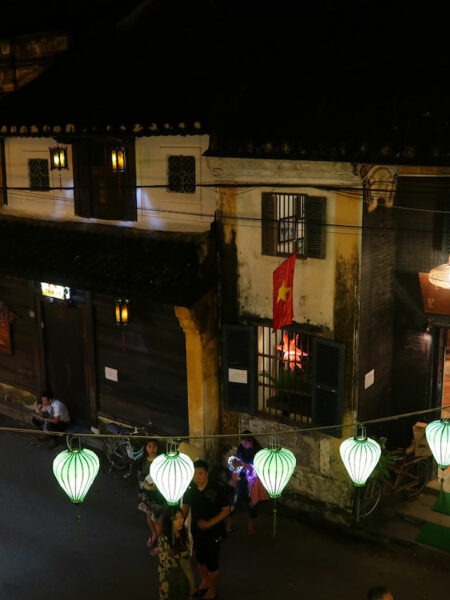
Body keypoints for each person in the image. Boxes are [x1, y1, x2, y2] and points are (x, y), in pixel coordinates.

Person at [182, 460, 231, 600]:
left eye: (200, 474)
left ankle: (213, 590)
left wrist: (209, 523)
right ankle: (205, 581)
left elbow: (226, 510)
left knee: (212, 564)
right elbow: (185, 508)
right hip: (197, 532)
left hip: (213, 533)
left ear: (207, 474)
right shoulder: (190, 488)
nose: (197, 477)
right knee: (200, 560)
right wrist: (179, 522)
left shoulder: (216, 489)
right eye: (194, 474)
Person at [226, 431, 268, 535]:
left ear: (251, 441)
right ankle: (229, 521)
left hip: (254, 479)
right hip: (243, 476)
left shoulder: (258, 452)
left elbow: (258, 469)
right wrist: (235, 463)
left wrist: (245, 465)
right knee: (236, 498)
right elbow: (237, 460)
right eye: (242, 443)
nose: (243, 445)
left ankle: (251, 523)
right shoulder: (241, 448)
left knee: (253, 502)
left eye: (245, 443)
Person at [157, 509, 194, 600]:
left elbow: (189, 551)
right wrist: (179, 557)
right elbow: (165, 560)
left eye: (181, 517)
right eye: (175, 519)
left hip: (184, 572)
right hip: (169, 576)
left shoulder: (184, 533)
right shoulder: (164, 538)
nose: (179, 521)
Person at [138, 439, 166, 551]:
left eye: (153, 446)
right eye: (149, 446)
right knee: (149, 514)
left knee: (158, 518)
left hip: (158, 494)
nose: (151, 449)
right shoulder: (142, 461)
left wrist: (156, 487)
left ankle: (161, 542)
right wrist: (145, 486)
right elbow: (139, 476)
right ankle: (154, 534)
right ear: (146, 448)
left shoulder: (161, 461)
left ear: (157, 448)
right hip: (146, 493)